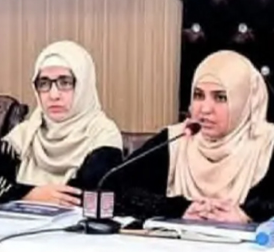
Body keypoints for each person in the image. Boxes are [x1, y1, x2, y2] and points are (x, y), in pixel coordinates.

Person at [116, 50, 274, 223]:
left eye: (220, 97)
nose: (205, 109)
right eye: (198, 95)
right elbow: (115, 188)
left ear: (245, 101)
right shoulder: (177, 139)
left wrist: (249, 216)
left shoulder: (268, 144)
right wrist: (178, 209)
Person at [0, 40, 124, 206]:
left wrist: (19, 194)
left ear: (84, 85)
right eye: (44, 84)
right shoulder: (25, 136)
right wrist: (27, 195)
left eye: (65, 83)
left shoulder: (102, 135)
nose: (53, 95)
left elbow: (91, 197)